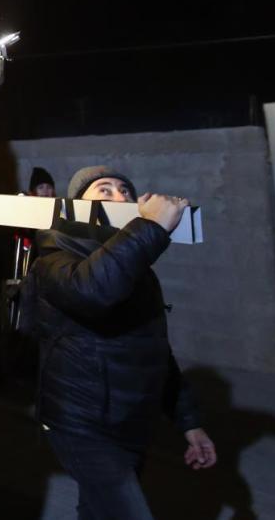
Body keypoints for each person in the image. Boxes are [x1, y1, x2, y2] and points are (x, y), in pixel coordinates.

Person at [31, 166, 217, 519]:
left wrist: (189, 422)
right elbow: (92, 291)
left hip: (131, 421)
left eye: (125, 191)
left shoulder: (135, 266)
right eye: (105, 191)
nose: (120, 197)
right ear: (78, 207)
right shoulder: (55, 257)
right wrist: (148, 228)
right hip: (80, 423)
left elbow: (154, 351)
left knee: (98, 511)